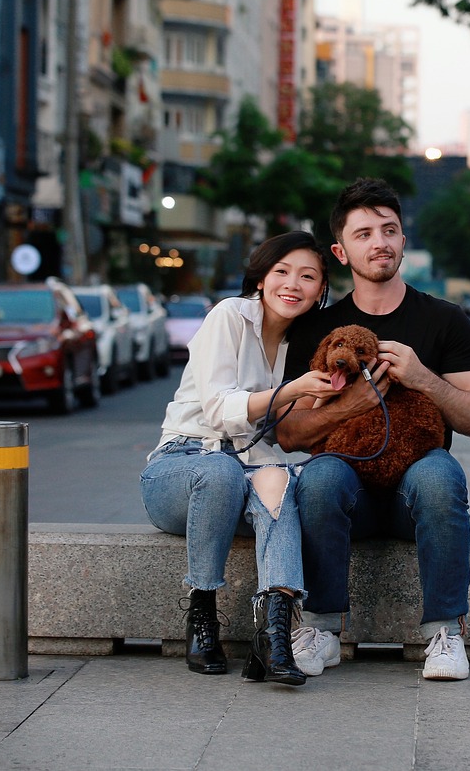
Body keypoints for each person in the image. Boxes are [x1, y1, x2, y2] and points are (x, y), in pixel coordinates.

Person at [279, 177, 470, 682]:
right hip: (345, 491)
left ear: (403, 239)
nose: (380, 242)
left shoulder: (445, 320)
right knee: (318, 477)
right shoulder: (318, 329)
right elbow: (290, 435)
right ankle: (321, 629)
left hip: (412, 493)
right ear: (340, 251)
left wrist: (423, 379)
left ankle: (446, 634)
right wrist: (349, 406)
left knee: (441, 475)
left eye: (389, 230)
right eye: (364, 234)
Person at [139, 232, 342, 686]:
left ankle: (274, 636)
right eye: (282, 272)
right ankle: (201, 614)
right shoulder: (229, 315)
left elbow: (286, 434)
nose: (293, 284)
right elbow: (218, 411)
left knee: (279, 482)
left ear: (320, 289)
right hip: (182, 465)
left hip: (247, 466)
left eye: (308, 277)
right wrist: (291, 391)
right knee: (220, 472)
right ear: (262, 277)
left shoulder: (303, 343)